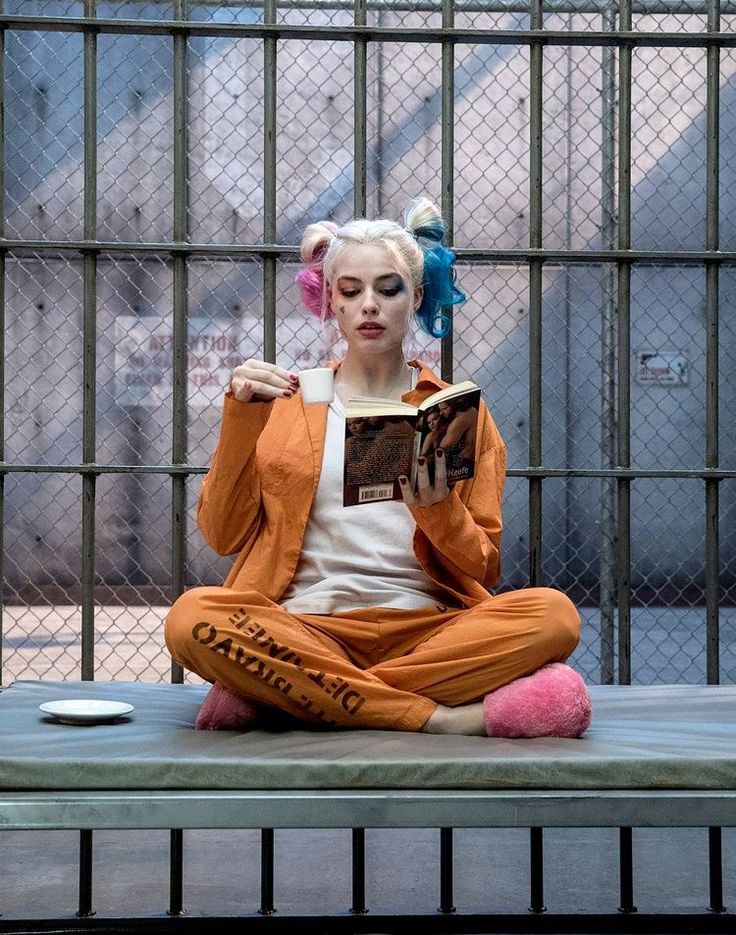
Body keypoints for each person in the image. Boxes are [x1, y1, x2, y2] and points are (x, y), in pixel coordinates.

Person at [164, 197, 591, 738]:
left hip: (429, 631)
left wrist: (438, 514)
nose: (369, 305)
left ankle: (299, 694)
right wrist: (239, 419)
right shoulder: (285, 403)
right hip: (306, 628)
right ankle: (437, 718)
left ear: (416, 297)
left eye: (388, 289)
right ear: (330, 304)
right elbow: (222, 534)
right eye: (351, 290)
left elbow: (482, 568)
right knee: (192, 618)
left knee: (554, 615)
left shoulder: (460, 413)